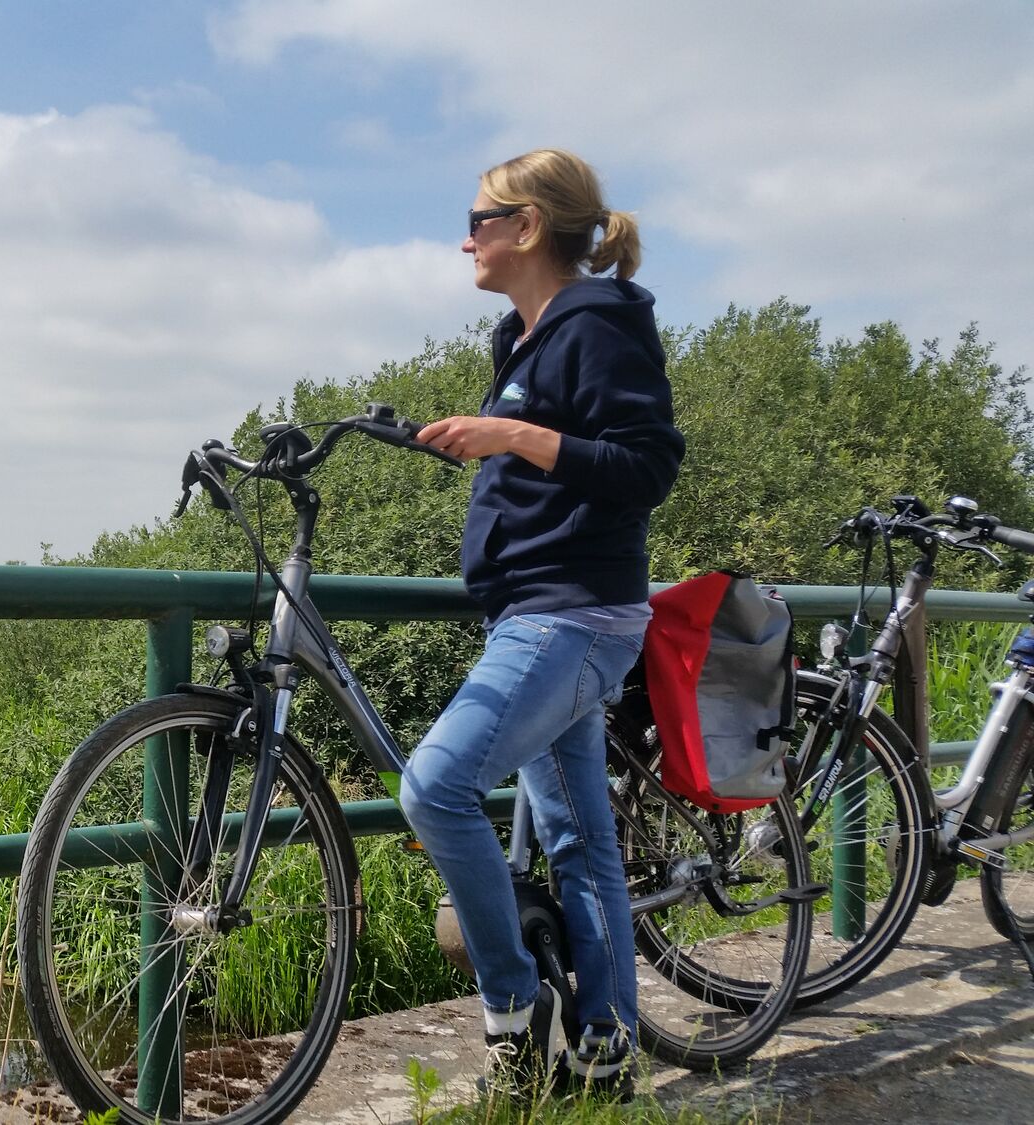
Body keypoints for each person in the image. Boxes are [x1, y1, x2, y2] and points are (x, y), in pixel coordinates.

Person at [401, 149, 684, 1102]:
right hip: (533, 614)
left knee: (435, 786)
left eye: (477, 221)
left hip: (576, 615)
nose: (466, 241)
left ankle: (516, 1017)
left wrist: (511, 435)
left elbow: (646, 466)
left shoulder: (598, 325)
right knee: (580, 842)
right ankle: (606, 1051)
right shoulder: (518, 337)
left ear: (526, 228)